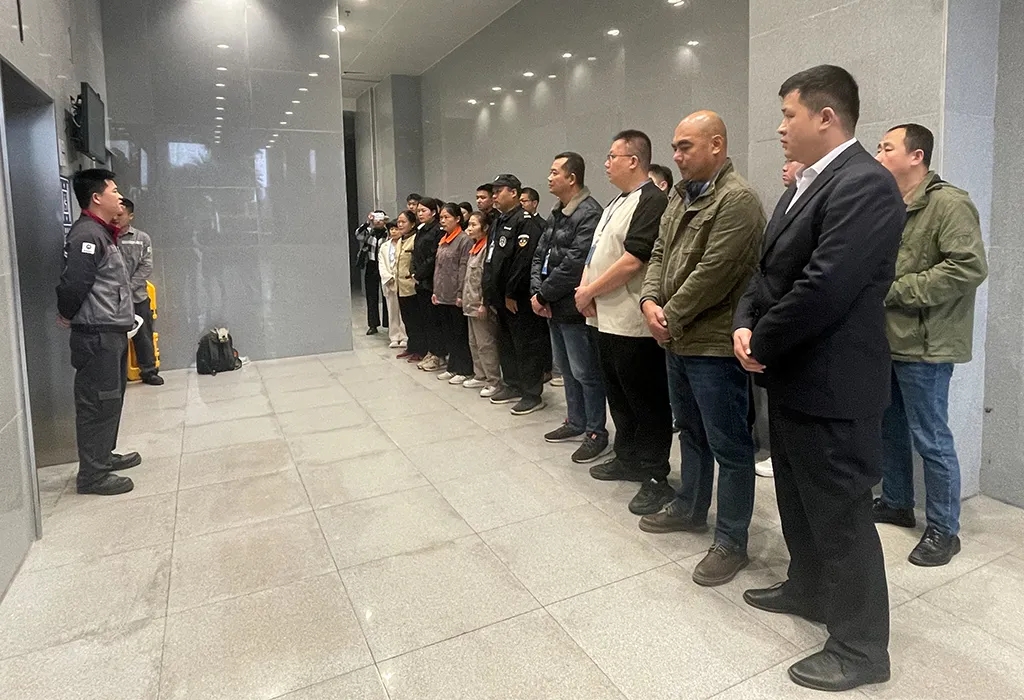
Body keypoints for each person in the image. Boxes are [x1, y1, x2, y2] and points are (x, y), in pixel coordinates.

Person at [732, 65, 904, 692]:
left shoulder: (864, 184)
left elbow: (825, 286)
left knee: (841, 515)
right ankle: (808, 587)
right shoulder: (805, 183)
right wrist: (745, 321)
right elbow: (768, 272)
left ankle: (861, 647)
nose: (780, 128)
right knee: (798, 498)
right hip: (795, 374)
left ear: (826, 117)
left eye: (789, 115)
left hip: (835, 382)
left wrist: (763, 339)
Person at [638, 111, 766, 587]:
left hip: (713, 344)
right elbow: (658, 252)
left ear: (716, 145)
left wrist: (667, 315)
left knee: (729, 445)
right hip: (677, 338)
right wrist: (649, 301)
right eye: (674, 146)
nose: (676, 155)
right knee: (689, 431)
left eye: (685, 146)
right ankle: (690, 507)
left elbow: (716, 271)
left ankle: (731, 540)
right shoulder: (680, 194)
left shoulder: (738, 199)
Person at [873, 123, 988, 566]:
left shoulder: (948, 203)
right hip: (890, 339)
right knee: (891, 427)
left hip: (927, 343)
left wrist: (897, 290)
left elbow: (967, 267)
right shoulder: (891, 204)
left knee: (931, 437)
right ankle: (897, 502)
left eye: (887, 148)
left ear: (916, 156)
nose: (878, 156)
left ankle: (944, 529)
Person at [576, 130, 672, 515]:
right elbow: (596, 252)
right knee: (618, 395)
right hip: (604, 318)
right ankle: (627, 456)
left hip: (633, 322)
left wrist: (589, 291)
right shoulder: (616, 202)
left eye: (612, 156)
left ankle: (655, 475)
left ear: (633, 161)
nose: (606, 163)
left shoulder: (652, 200)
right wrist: (585, 290)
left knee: (645, 401)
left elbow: (634, 260)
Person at [56, 169, 140, 496]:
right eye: (114, 191)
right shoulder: (87, 235)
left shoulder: (102, 232)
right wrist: (67, 313)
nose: (119, 196)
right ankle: (92, 475)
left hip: (110, 330)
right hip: (96, 334)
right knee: (97, 402)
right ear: (96, 197)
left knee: (110, 400)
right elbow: (74, 282)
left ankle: (103, 456)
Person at [531, 151, 609, 463]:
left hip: (574, 307)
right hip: (553, 305)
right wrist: (538, 293)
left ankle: (595, 431)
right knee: (567, 371)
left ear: (572, 178)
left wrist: (544, 295)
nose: (549, 178)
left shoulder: (589, 213)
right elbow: (540, 254)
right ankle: (575, 421)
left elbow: (576, 262)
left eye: (555, 172)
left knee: (585, 372)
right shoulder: (557, 212)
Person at [482, 173, 547, 414]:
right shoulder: (499, 220)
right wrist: (490, 293)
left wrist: (510, 293)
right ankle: (513, 384)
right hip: (500, 297)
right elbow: (492, 258)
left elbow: (523, 261)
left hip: (517, 297)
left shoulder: (525, 221)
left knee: (526, 344)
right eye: (493, 192)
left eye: (499, 191)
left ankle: (532, 393)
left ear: (513, 193)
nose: (495, 196)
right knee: (506, 343)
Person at [115, 198, 162, 386]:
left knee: (144, 335)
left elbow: (146, 266)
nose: (116, 218)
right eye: (115, 214)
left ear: (131, 216)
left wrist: (128, 287)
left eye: (121, 215)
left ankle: (149, 372)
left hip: (137, 297)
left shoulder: (142, 238)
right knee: (115, 338)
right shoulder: (106, 236)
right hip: (113, 299)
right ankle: (117, 375)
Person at [461, 211, 503, 397]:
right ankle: (480, 375)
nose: (469, 229)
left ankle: (494, 380)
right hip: (470, 303)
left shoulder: (487, 248)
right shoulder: (474, 247)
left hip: (480, 304)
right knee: (474, 342)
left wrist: (484, 303)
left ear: (485, 227)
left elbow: (487, 279)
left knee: (486, 344)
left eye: (474, 225)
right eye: (468, 225)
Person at [433, 202, 474, 384]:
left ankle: (464, 369)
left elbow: (463, 267)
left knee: (459, 334)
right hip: (442, 293)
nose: (443, 221)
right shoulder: (443, 239)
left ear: (458, 219)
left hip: (456, 295)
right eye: (441, 217)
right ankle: (452, 367)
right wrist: (436, 290)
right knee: (448, 333)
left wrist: (460, 293)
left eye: (447, 217)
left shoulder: (464, 240)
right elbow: (438, 267)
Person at [412, 198, 446, 371]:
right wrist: (414, 272)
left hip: (432, 281)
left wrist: (420, 274)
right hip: (420, 282)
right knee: (425, 319)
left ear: (433, 212)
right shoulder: (421, 230)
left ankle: (439, 354)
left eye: (423, 210)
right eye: (418, 211)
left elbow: (434, 257)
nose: (420, 214)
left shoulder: (438, 231)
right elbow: (415, 253)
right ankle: (431, 351)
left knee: (435, 320)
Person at [395, 210, 425, 363]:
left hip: (412, 287)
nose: (400, 225)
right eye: (398, 222)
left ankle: (421, 349)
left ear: (412, 224)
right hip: (400, 287)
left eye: (403, 222)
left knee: (416, 320)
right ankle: (411, 346)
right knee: (407, 319)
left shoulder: (415, 239)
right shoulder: (400, 240)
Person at [355, 210, 389, 335]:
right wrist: (367, 222)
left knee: (387, 295)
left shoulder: (389, 232)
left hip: (385, 266)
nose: (378, 221)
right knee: (371, 295)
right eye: (376, 218)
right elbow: (358, 235)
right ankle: (373, 324)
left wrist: (387, 224)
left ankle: (388, 323)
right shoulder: (368, 232)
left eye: (381, 218)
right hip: (371, 264)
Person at [379, 221, 407, 349]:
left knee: (404, 311)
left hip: (402, 281)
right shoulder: (384, 246)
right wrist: (388, 277)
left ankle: (405, 336)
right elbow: (381, 264)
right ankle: (394, 337)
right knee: (392, 310)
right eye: (391, 229)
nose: (394, 231)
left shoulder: (405, 243)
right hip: (389, 282)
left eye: (396, 229)